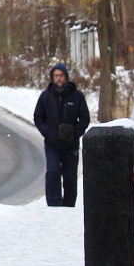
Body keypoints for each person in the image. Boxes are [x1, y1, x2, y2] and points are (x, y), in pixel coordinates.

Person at [32, 62, 92, 207]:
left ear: (66, 77)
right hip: (52, 144)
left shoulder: (76, 96)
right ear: (52, 78)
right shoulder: (46, 96)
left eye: (61, 76)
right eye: (56, 76)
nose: (58, 79)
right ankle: (53, 204)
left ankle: (69, 205)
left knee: (70, 177)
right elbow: (38, 117)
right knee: (53, 172)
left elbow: (85, 118)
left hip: (70, 144)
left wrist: (75, 133)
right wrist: (48, 132)